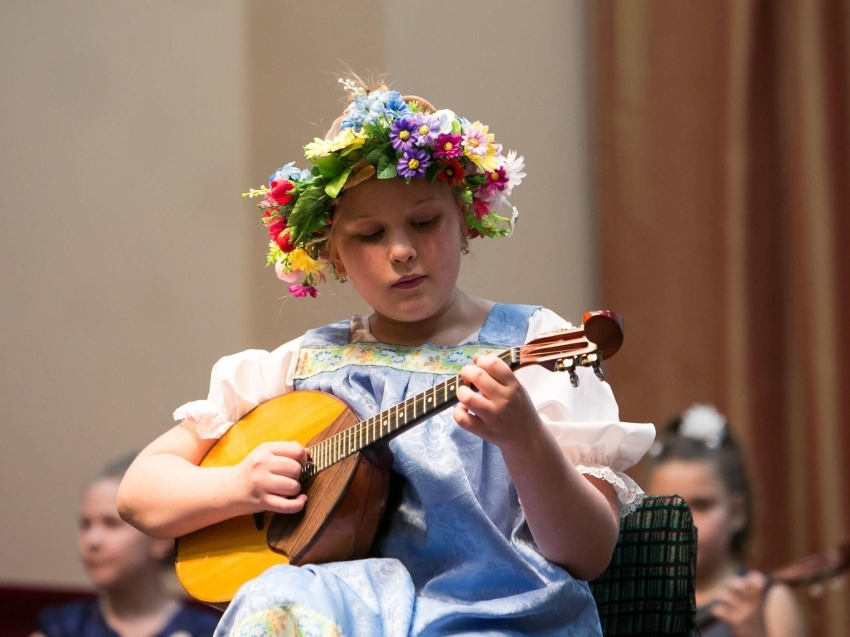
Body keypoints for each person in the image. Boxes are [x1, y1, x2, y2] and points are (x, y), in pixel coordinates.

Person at [117, 75, 656, 636]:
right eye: (369, 234)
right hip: (344, 612)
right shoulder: (299, 367)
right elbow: (140, 495)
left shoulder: (534, 344)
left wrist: (524, 438)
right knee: (277, 603)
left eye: (424, 222)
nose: (401, 251)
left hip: (494, 615)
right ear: (336, 257)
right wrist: (237, 487)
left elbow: (588, 554)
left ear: (466, 224)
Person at [646, 404, 809, 637]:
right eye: (668, 507)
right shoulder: (637, 600)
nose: (684, 524)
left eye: (702, 505)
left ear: (736, 513)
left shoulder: (770, 603)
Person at [31, 453, 220, 637]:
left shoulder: (211, 631)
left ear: (160, 538)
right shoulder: (62, 627)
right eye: (85, 525)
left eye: (111, 523)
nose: (92, 540)